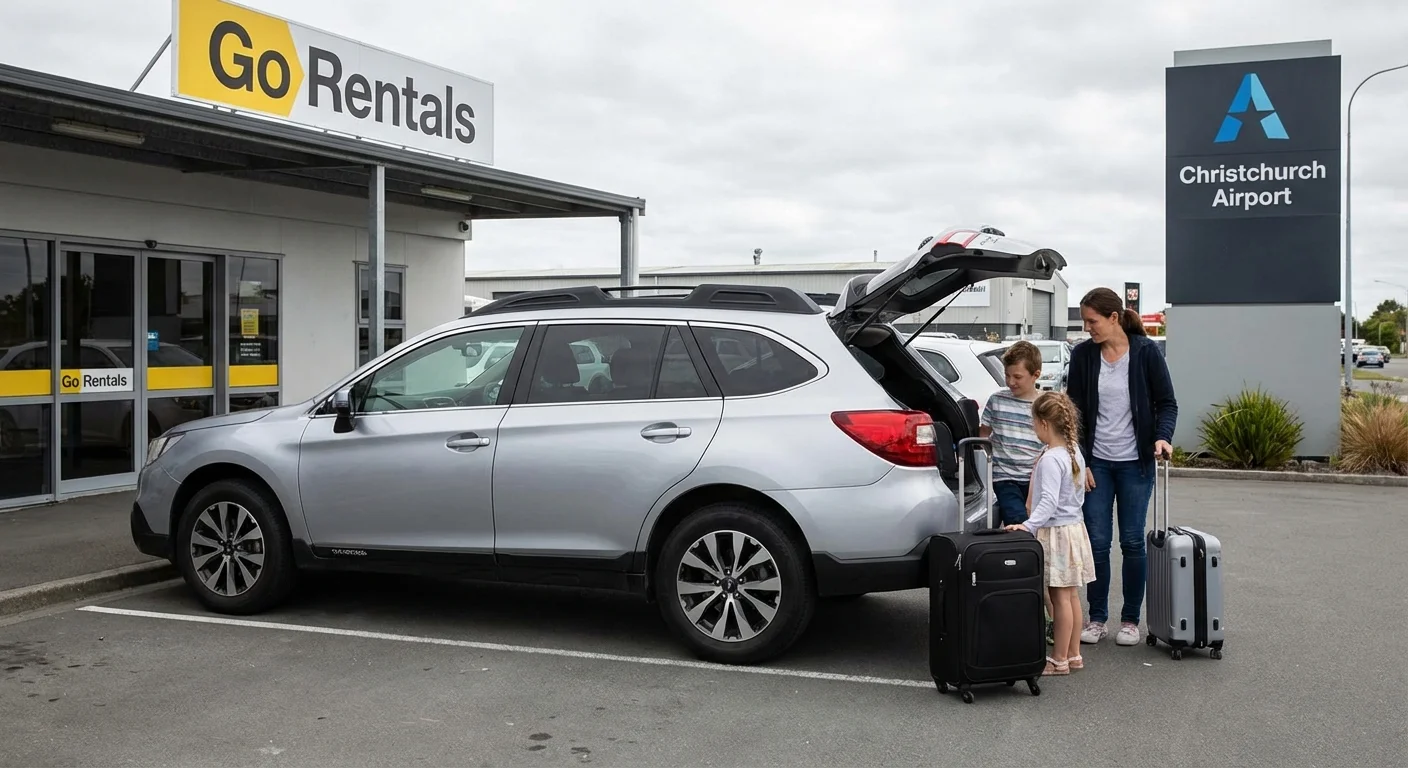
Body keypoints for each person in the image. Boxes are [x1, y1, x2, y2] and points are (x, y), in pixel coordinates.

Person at [1065, 287, 1178, 647]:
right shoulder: (1083, 355)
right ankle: (1097, 618)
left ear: (1114, 318)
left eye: (1093, 321)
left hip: (1136, 464)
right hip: (1097, 462)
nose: (1088, 328)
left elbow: (1167, 403)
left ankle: (1130, 620)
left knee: (1132, 541)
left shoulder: (1145, 353)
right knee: (1097, 542)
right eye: (1085, 322)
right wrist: (1080, 460)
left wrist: (1162, 437)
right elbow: (1074, 413)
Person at [1002, 391, 1096, 676]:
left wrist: (1028, 526)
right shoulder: (1073, 451)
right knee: (1071, 596)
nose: (1033, 428)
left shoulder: (1051, 459)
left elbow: (1048, 502)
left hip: (1056, 533)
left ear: (1044, 423)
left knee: (1058, 598)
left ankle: (1058, 660)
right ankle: (1073, 654)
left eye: (1033, 422)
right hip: (1074, 529)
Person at [978, 341, 1045, 526]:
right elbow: (983, 434)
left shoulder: (1045, 404)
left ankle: (1036, 554)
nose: (1010, 382)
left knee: (1039, 524)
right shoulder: (997, 400)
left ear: (1035, 375)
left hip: (1036, 479)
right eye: (1007, 375)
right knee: (1017, 521)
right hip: (1004, 477)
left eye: (1017, 377)